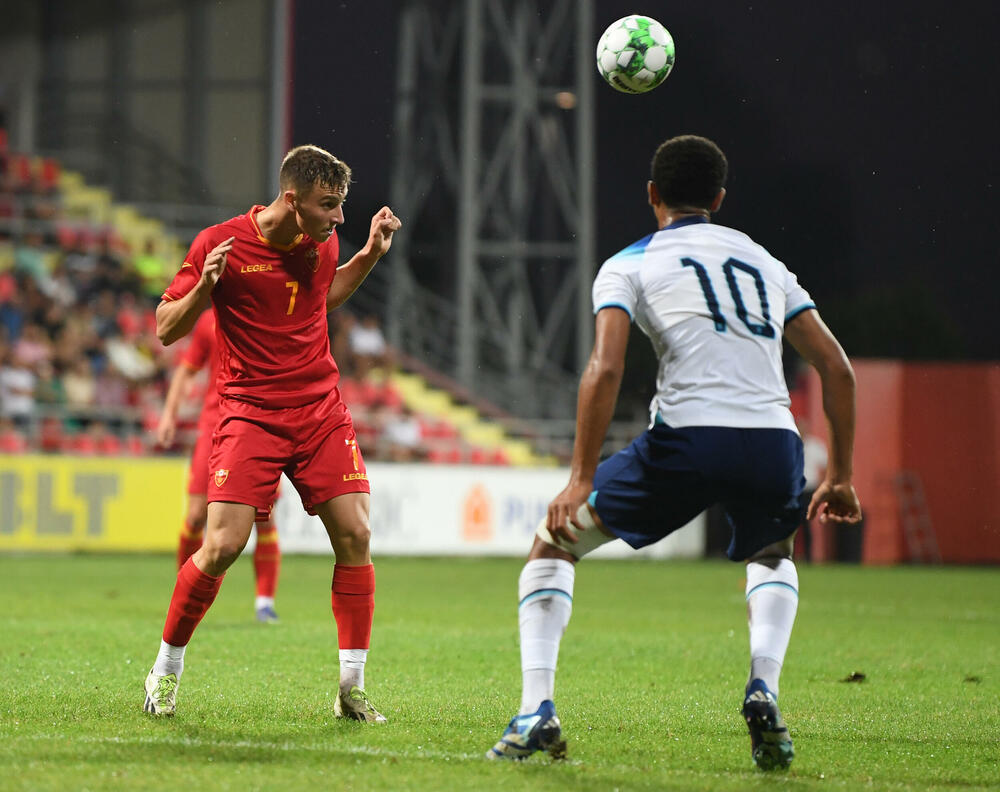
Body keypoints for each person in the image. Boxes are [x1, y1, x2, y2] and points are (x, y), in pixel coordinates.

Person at [486, 135, 861, 770]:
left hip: (688, 439)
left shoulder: (629, 263)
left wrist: (579, 478)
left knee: (554, 545)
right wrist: (844, 474)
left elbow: (605, 369)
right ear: (719, 198)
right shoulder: (763, 260)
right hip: (773, 443)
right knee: (773, 553)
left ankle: (536, 711)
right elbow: (837, 367)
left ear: (652, 195)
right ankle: (763, 687)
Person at [141, 144, 401, 723]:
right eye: (328, 205)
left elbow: (320, 298)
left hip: (318, 408)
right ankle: (165, 669)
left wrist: (367, 256)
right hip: (250, 411)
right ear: (291, 199)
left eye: (341, 206)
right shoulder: (220, 244)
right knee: (223, 545)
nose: (337, 217)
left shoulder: (323, 241)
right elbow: (163, 328)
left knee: (356, 534)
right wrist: (204, 290)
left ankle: (351, 690)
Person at [156, 308, 282, 622]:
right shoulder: (209, 320)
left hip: (258, 426)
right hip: (214, 424)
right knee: (197, 515)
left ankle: (264, 603)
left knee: (263, 517)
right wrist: (170, 413)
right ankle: (183, 592)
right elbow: (187, 369)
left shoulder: (271, 312)